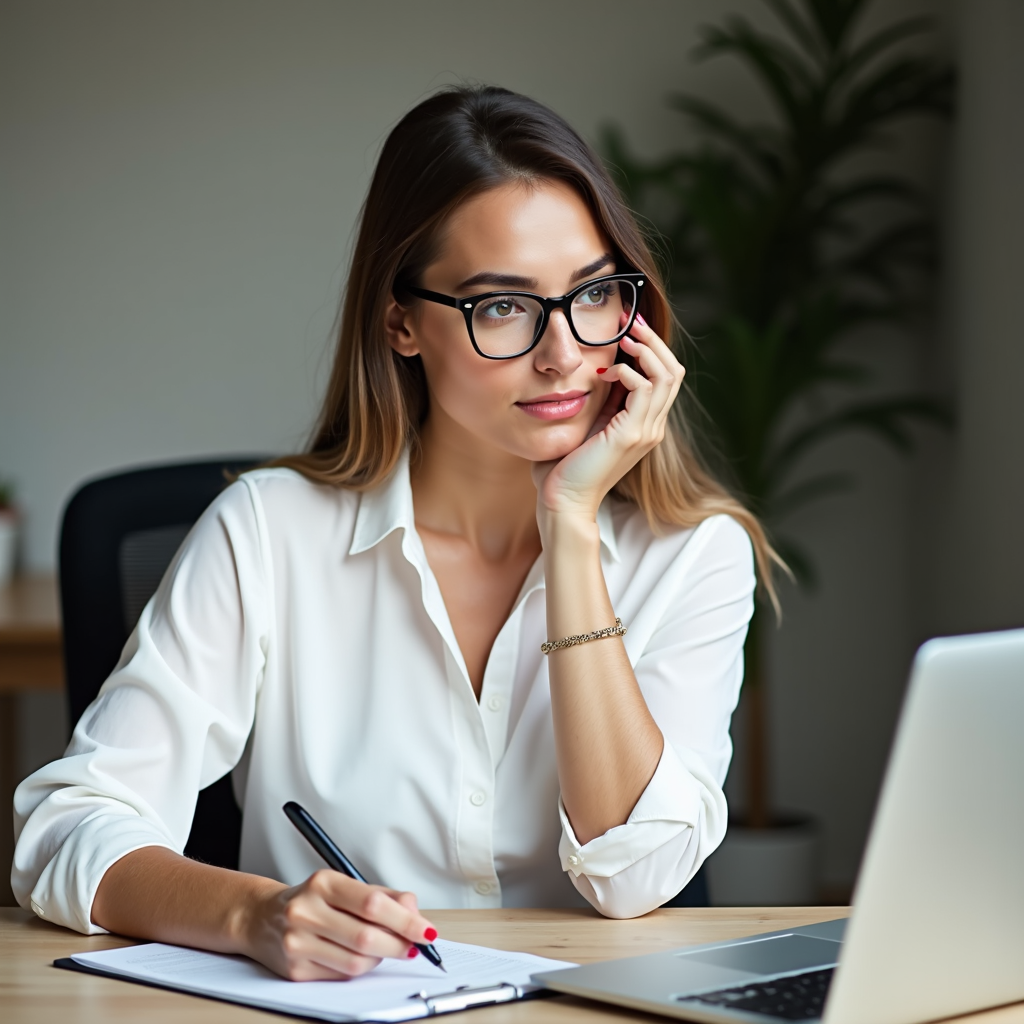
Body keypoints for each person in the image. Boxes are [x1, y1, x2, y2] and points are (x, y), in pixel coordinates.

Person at [13, 86, 778, 982]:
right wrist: (251, 911)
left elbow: (636, 878)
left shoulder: (693, 554)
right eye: (502, 307)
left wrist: (569, 529)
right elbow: (67, 827)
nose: (565, 353)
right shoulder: (268, 534)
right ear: (400, 323)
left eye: (593, 294)